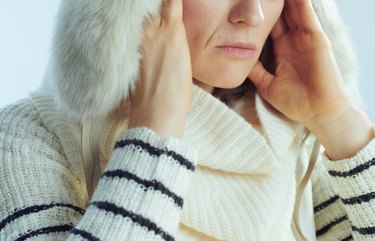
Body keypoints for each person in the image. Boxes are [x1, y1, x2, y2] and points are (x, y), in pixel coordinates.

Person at [0, 0, 374, 240]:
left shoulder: (290, 136)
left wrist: (336, 119)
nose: (253, 13)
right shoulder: (28, 138)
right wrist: (156, 128)